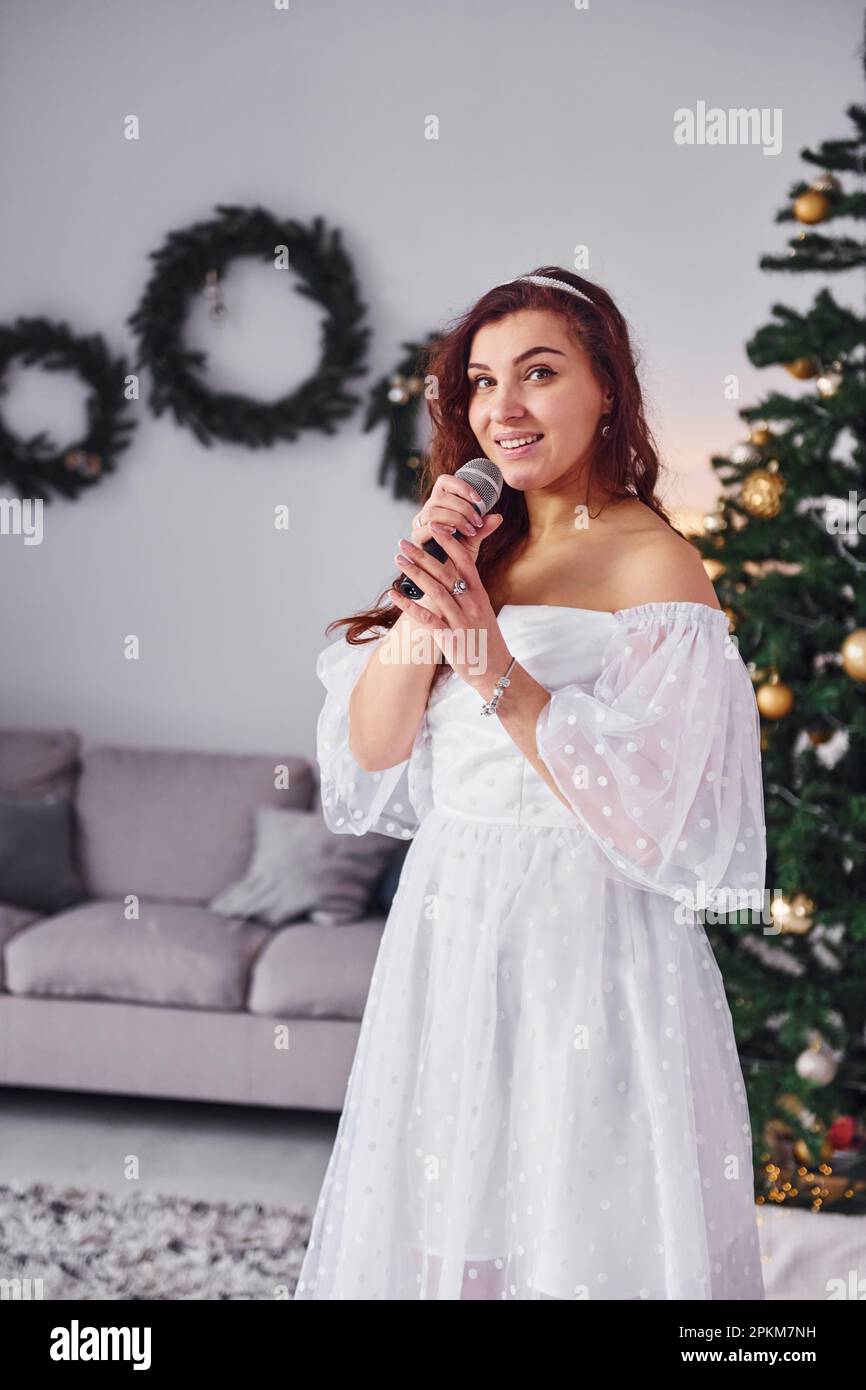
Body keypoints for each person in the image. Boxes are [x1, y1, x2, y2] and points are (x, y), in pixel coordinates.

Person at [293, 267, 767, 1301]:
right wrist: (428, 604)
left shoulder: (656, 568)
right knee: (441, 1216)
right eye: (477, 382)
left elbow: (661, 810)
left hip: (582, 928)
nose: (500, 409)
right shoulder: (475, 546)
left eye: (538, 373)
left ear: (605, 388)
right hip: (450, 914)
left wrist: (494, 669)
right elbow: (371, 753)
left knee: (573, 1221)